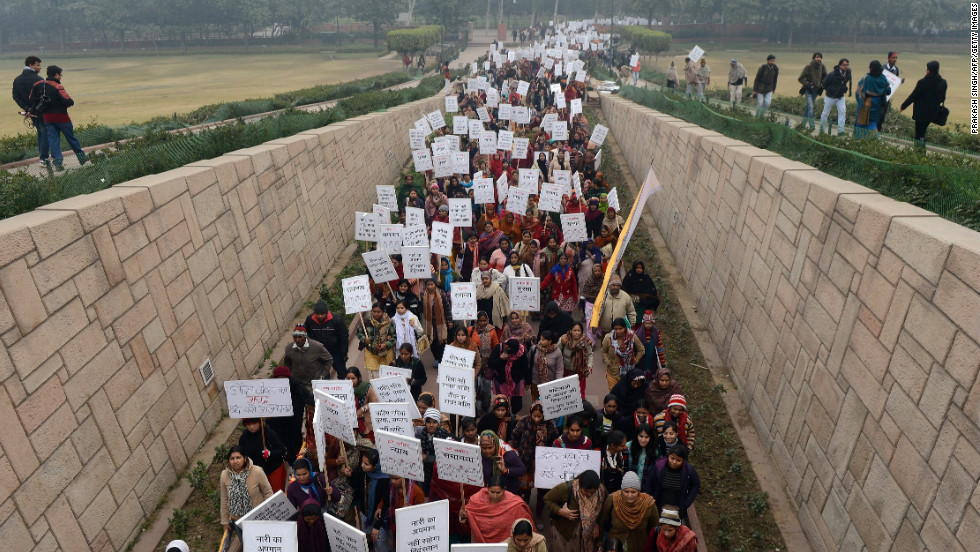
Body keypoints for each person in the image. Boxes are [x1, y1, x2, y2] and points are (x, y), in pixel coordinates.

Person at [30, 65, 87, 171]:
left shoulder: (38, 85)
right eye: (60, 75)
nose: (60, 77)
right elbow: (69, 101)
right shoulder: (57, 86)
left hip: (47, 117)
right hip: (62, 117)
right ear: (56, 74)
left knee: (53, 140)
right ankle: (82, 158)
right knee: (71, 138)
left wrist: (32, 111)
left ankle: (57, 163)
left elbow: (32, 99)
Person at [509, 401, 559, 508]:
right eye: (534, 416)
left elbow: (555, 440)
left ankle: (539, 512)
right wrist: (516, 452)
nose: (536, 419)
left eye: (539, 416)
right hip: (525, 461)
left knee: (542, 490)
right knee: (524, 488)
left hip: (543, 463)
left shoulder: (550, 424)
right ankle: (524, 506)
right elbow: (515, 436)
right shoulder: (524, 421)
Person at [543, 469, 606, 552]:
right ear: (580, 485)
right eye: (586, 491)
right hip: (565, 532)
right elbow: (547, 499)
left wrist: (597, 524)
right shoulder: (565, 488)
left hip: (588, 535)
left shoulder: (601, 492)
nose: (589, 495)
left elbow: (602, 510)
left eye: (592, 492)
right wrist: (560, 511)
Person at [460, 474, 535, 543]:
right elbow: (467, 516)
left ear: (504, 490)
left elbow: (526, 525)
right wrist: (463, 515)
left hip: (507, 545)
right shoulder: (477, 500)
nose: (495, 496)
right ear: (487, 488)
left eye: (498, 493)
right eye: (492, 492)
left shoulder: (515, 504)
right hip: (481, 542)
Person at [220, 446, 273, 540]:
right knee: (247, 545)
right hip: (238, 520)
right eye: (232, 458)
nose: (235, 461)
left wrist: (270, 513)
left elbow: (268, 493)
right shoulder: (225, 475)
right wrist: (225, 522)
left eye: (238, 457)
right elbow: (224, 499)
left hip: (258, 518)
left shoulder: (257, 471)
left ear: (244, 458)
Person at [598, 471, 658, 552]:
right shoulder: (613, 499)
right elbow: (602, 520)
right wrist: (600, 540)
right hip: (615, 546)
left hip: (639, 546)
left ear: (638, 491)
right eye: (626, 492)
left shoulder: (648, 504)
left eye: (633, 492)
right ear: (622, 490)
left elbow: (654, 528)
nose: (630, 495)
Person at [267, 365, 314, 465]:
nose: (280, 381)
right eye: (278, 378)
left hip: (297, 428)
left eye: (283, 378)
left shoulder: (299, 389)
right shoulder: (272, 391)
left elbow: (308, 405)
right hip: (281, 429)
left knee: (299, 451)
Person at [644, 444, 700, 522]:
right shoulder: (659, 466)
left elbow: (696, 485)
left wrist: (686, 503)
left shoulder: (689, 470)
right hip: (657, 508)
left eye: (678, 460)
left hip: (677, 510)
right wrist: (650, 501)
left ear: (683, 460)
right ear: (668, 456)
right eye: (672, 458)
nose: (674, 462)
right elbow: (649, 484)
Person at [12, 56, 50, 168]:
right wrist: (35, 108)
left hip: (30, 112)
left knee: (40, 133)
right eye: (38, 65)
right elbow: (43, 97)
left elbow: (16, 96)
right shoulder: (39, 80)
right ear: (31, 65)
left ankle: (43, 157)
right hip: (41, 111)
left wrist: (27, 108)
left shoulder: (17, 80)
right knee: (44, 133)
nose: (40, 67)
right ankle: (44, 158)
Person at [900, 61, 948, 151]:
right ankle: (920, 150)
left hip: (921, 113)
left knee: (919, 133)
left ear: (929, 70)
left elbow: (913, 96)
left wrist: (903, 106)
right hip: (932, 113)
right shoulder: (943, 83)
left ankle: (919, 151)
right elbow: (942, 99)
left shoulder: (923, 82)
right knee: (923, 132)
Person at [352, 449, 392, 551]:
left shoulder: (384, 479)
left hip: (379, 517)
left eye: (366, 464)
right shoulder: (364, 472)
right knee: (368, 537)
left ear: (375, 466)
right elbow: (357, 485)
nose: (362, 465)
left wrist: (377, 526)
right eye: (362, 462)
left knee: (379, 542)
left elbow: (386, 504)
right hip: (365, 514)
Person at [238, 418, 287, 493]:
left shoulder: (269, 433)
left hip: (274, 469)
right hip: (257, 472)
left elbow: (282, 450)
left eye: (254, 424)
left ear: (260, 422)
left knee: (276, 493)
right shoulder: (244, 438)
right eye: (248, 424)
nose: (251, 427)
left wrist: (270, 453)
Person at [282, 324, 333, 393]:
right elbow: (287, 363)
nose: (297, 340)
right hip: (297, 384)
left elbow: (329, 360)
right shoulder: (289, 348)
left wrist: (322, 375)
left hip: (313, 383)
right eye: (295, 337)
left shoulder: (317, 347)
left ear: (305, 337)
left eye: (300, 337)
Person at [304, 300, 349, 378]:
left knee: (342, 372)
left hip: (336, 351)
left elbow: (344, 336)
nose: (320, 316)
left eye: (322, 314)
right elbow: (307, 333)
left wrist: (344, 352)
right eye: (318, 314)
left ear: (327, 312)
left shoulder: (336, 320)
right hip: (320, 353)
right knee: (324, 375)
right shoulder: (310, 320)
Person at [602, 319, 645, 391]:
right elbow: (604, 352)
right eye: (616, 329)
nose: (618, 331)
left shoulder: (632, 337)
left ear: (624, 328)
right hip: (613, 372)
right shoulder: (608, 338)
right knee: (613, 393)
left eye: (620, 329)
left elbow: (641, 350)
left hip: (628, 372)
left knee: (626, 393)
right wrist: (608, 361)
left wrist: (636, 360)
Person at [417, 408, 452, 493]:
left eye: (434, 422)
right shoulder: (421, 433)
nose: (431, 425)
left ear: (438, 424)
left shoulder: (445, 436)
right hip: (424, 473)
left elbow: (446, 458)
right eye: (429, 422)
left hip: (438, 474)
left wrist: (427, 458)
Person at [854, 61, 892, 139]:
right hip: (877, 105)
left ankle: (858, 140)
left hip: (865, 103)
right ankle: (873, 139)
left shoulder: (867, 78)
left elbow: (859, 91)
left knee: (861, 122)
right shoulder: (883, 78)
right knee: (872, 122)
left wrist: (860, 101)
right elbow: (888, 91)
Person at [472, 312, 500, 415]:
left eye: (484, 320)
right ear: (477, 321)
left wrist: (493, 360)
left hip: (488, 364)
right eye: (480, 321)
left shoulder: (492, 331)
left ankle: (486, 405)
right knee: (477, 386)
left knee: (487, 386)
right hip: (475, 363)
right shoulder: (472, 331)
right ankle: (478, 407)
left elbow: (496, 346)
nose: (483, 323)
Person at [357, 303, 396, 376]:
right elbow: (359, 333)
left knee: (386, 375)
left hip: (386, 353)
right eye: (374, 311)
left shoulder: (389, 322)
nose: (376, 314)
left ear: (383, 312)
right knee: (373, 374)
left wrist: (386, 344)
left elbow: (394, 337)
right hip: (370, 352)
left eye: (378, 312)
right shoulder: (366, 321)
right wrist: (364, 339)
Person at [420, 278, 452, 366]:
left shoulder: (441, 293)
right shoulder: (423, 294)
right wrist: (420, 301)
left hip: (440, 322)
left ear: (435, 284)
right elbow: (420, 309)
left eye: (432, 284)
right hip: (429, 323)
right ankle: (436, 358)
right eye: (428, 285)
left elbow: (447, 307)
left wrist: (449, 320)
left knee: (441, 341)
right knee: (432, 341)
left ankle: (441, 359)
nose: (430, 287)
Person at [558, 322, 593, 398]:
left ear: (581, 331)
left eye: (578, 330)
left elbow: (590, 354)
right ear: (570, 331)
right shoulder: (563, 340)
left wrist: (589, 365)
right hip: (566, 370)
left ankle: (581, 406)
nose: (577, 333)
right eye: (575, 330)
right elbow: (557, 352)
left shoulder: (585, 342)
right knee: (566, 391)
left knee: (581, 390)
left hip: (580, 371)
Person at [819, 59, 852, 135]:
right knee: (825, 113)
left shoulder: (848, 73)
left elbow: (849, 82)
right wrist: (831, 90)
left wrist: (846, 90)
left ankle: (840, 131)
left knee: (842, 112)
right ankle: (822, 130)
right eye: (844, 65)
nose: (846, 66)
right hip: (830, 96)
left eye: (847, 65)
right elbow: (824, 84)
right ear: (840, 65)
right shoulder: (832, 74)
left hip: (840, 97)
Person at [348, 367, 380, 440]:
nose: (350, 381)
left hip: (365, 421)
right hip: (351, 422)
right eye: (348, 379)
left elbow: (374, 402)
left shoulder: (366, 387)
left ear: (358, 378)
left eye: (353, 378)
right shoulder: (344, 389)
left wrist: (362, 409)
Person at [878, 51, 906, 132]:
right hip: (878, 94)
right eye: (893, 58)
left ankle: (878, 130)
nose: (895, 60)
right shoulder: (882, 68)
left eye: (896, 58)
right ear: (889, 58)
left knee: (882, 114)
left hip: (887, 96)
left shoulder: (896, 69)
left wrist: (900, 82)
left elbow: (894, 83)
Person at [634, 311, 666, 377]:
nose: (648, 325)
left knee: (652, 374)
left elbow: (659, 348)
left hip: (652, 357)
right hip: (641, 358)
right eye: (646, 323)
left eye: (650, 323)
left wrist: (662, 362)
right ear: (643, 323)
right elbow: (634, 348)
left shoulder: (656, 334)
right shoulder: (637, 334)